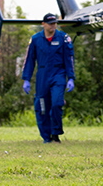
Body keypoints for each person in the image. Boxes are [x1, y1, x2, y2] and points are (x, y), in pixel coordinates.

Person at [21, 13, 75, 143]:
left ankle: (55, 134)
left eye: (55, 23)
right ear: (43, 24)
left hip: (58, 74)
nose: (53, 26)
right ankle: (46, 137)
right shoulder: (35, 39)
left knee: (57, 103)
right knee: (42, 107)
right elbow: (29, 60)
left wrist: (71, 78)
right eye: (50, 23)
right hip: (42, 75)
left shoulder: (63, 38)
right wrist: (26, 79)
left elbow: (69, 59)